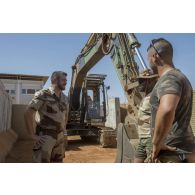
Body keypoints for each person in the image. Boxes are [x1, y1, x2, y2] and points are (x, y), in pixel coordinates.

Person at [147, 38, 195, 163]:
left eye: (148, 58)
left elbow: (167, 109)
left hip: (171, 154)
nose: (148, 62)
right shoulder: (180, 77)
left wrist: (157, 143)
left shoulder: (169, 78)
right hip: (183, 152)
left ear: (155, 57)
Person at [24, 71, 68, 163]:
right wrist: (32, 135)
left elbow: (65, 115)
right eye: (63, 80)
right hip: (45, 137)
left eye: (66, 80)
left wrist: (63, 130)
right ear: (55, 80)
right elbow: (28, 113)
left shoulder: (65, 98)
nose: (66, 82)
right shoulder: (43, 94)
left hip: (59, 138)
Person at [134, 74, 158, 163]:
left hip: (150, 139)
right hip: (142, 138)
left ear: (150, 81)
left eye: (141, 81)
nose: (139, 84)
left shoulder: (154, 97)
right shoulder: (146, 97)